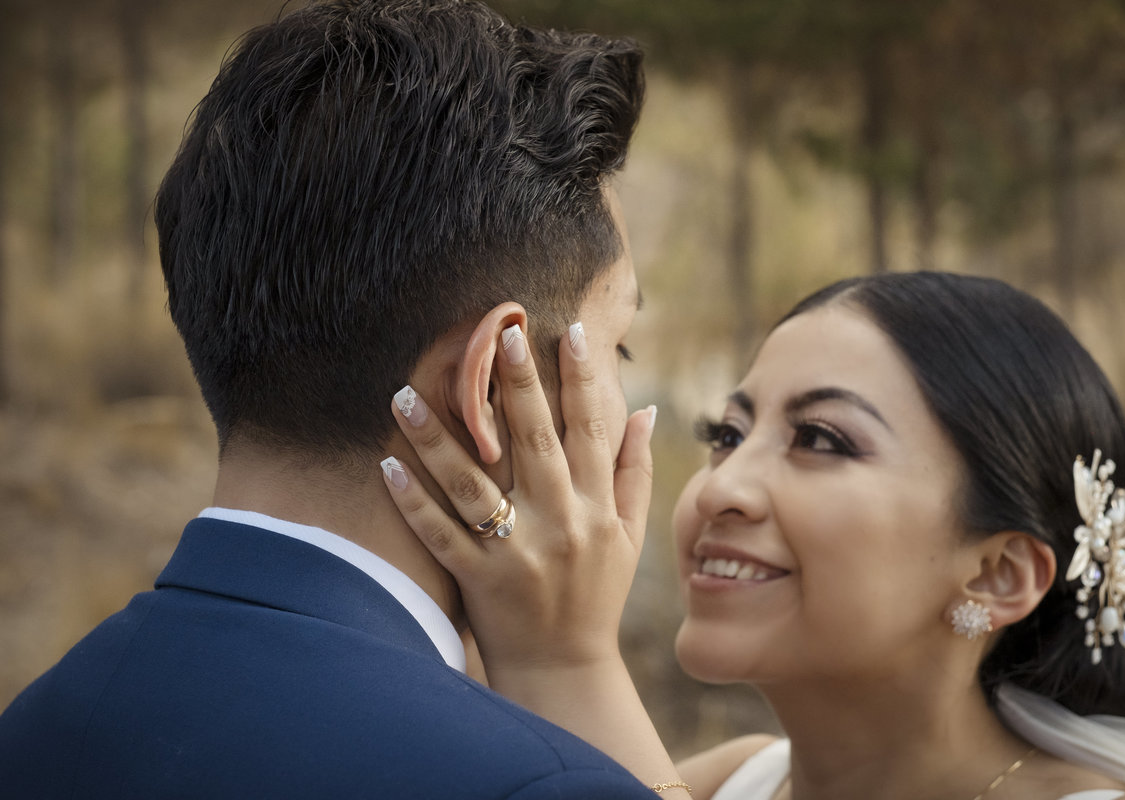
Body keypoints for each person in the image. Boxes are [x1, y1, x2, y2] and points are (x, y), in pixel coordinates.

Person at [0, 1, 668, 797]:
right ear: (493, 384)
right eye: (616, 346)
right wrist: (572, 667)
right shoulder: (541, 782)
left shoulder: (38, 721)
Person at [383, 271, 1125, 799]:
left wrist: (564, 661)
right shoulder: (732, 781)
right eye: (728, 434)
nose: (721, 488)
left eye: (823, 440)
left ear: (997, 573)